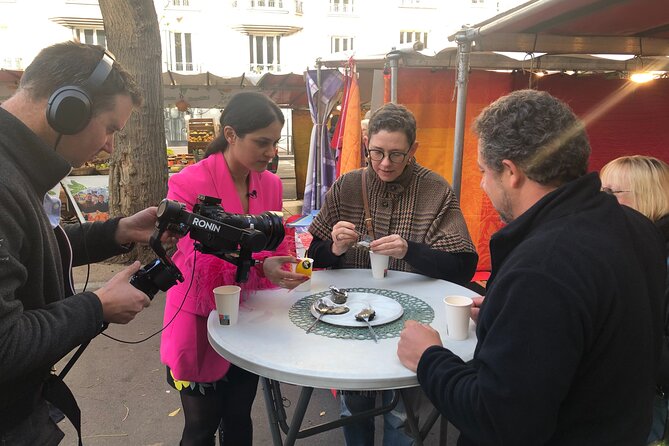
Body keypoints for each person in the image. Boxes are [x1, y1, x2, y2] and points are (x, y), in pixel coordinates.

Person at [397, 89, 667, 445]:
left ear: (510, 171)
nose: (481, 183)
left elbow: (500, 420)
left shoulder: (541, 268)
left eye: (482, 171)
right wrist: (504, 314)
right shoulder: (635, 226)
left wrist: (429, 358)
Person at [0, 41, 164, 445]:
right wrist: (97, 306)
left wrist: (117, 231)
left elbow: (33, 247)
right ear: (68, 108)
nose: (110, 145)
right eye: (110, 127)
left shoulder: (17, 167)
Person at [308, 103, 478, 445]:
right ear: (367, 143)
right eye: (377, 152)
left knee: (402, 413)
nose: (385, 163)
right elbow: (314, 254)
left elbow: (463, 266)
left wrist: (410, 250)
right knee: (353, 402)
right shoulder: (348, 185)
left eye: (396, 154)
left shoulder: (435, 189)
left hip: (413, 318)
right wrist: (335, 248)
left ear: (413, 149)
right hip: (352, 315)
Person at [160, 91, 308, 446]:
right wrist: (261, 265)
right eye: (262, 142)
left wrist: (292, 265)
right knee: (200, 427)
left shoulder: (270, 184)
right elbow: (191, 258)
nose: (271, 152)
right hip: (197, 317)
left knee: (239, 420)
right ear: (230, 134)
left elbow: (277, 242)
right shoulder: (188, 183)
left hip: (248, 318)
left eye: (274, 142)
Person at [600, 155, 669, 444]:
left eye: (610, 193)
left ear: (647, 196)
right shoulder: (633, 244)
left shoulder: (658, 258)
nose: (599, 201)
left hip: (644, 408)